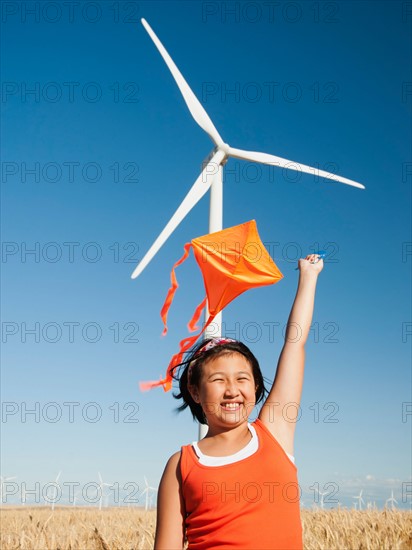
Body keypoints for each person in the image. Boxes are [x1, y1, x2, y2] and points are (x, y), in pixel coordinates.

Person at [154, 254, 324, 550]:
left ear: (257, 387)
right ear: (195, 392)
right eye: (218, 380)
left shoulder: (275, 431)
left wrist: (308, 277)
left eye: (242, 379)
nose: (232, 390)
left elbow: (295, 343)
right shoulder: (181, 464)